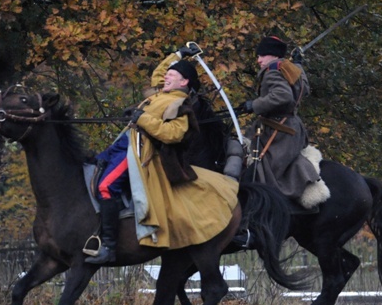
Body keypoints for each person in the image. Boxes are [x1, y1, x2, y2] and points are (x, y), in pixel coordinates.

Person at [86, 44, 239, 264]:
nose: (165, 77)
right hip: (123, 144)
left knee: (106, 187)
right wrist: (179, 55)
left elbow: (173, 134)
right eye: (167, 75)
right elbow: (159, 72)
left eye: (172, 75)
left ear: (184, 82)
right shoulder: (161, 93)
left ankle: (108, 245)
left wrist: (142, 118)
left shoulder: (179, 105)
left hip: (139, 152)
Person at [240, 36, 322, 206]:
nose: (259, 60)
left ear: (273, 55)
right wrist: (298, 63)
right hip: (291, 127)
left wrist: (254, 105)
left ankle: (267, 204)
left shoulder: (273, 71)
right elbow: (303, 87)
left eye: (262, 55)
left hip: (279, 131)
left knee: (261, 166)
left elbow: (283, 96)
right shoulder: (289, 69)